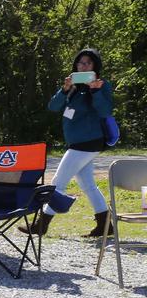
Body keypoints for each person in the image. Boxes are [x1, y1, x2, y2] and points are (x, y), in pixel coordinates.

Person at [32, 48, 115, 238]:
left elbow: (104, 111)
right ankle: (105, 225)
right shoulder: (73, 87)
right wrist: (64, 90)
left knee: (57, 183)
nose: (83, 66)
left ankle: (41, 225)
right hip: (76, 142)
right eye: (80, 63)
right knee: (88, 185)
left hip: (88, 142)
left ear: (95, 67)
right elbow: (53, 107)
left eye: (88, 63)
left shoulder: (102, 86)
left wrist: (95, 91)